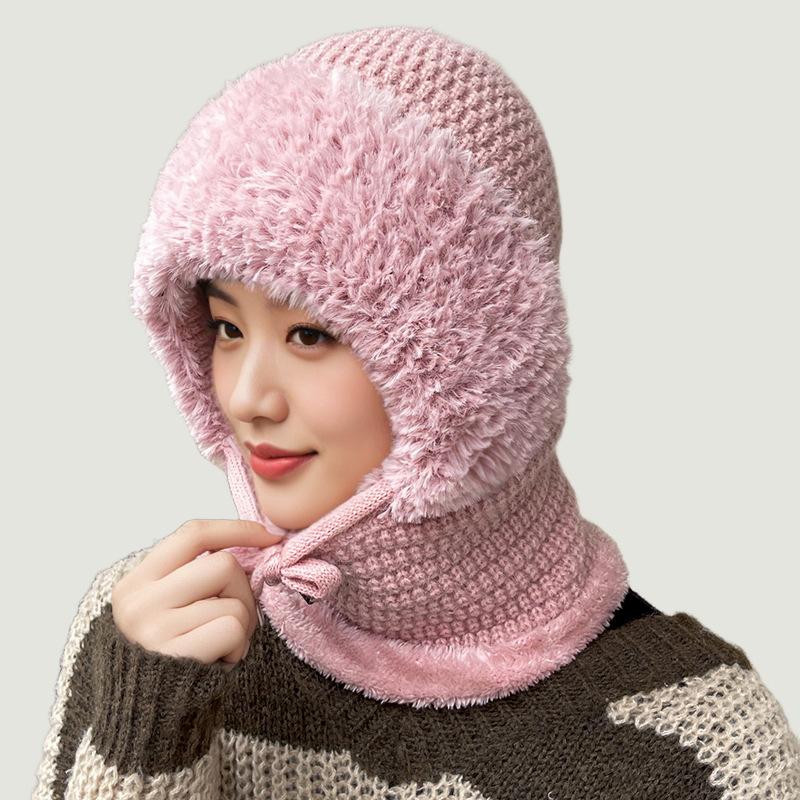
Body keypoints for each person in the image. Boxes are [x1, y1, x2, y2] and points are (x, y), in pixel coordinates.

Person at [32, 24, 799, 800]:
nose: (245, 398)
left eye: (311, 334)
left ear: (471, 359)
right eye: (227, 328)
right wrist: (148, 727)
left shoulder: (699, 741)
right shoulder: (143, 636)